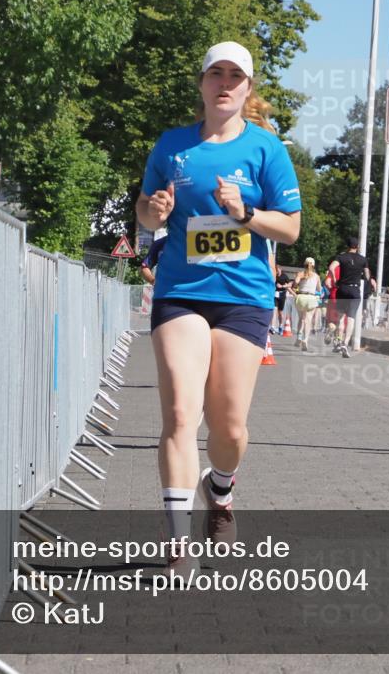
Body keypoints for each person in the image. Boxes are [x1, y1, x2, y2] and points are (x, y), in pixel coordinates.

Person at [135, 40, 302, 573]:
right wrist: (155, 209)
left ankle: (221, 490)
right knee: (181, 414)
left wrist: (245, 212)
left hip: (243, 299)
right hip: (181, 292)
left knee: (228, 428)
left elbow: (291, 229)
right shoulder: (173, 145)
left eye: (235, 76)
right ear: (202, 83)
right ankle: (178, 543)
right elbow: (145, 213)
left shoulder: (266, 149)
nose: (224, 83)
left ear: (248, 88)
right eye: (216, 74)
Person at [326, 237, 376, 358]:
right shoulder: (363, 259)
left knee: (340, 317)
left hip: (342, 289)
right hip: (354, 290)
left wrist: (334, 279)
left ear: (347, 246)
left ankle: (338, 339)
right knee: (351, 318)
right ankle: (345, 343)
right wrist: (368, 280)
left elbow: (331, 267)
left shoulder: (341, 257)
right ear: (357, 246)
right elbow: (367, 275)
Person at [273, 265, 293, 334]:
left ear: (280, 269)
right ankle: (272, 326)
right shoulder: (274, 275)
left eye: (277, 269)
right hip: (275, 294)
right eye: (276, 270)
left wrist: (282, 286)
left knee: (280, 312)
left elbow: (290, 284)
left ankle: (280, 326)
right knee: (274, 309)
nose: (277, 271)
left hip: (282, 294)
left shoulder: (284, 276)